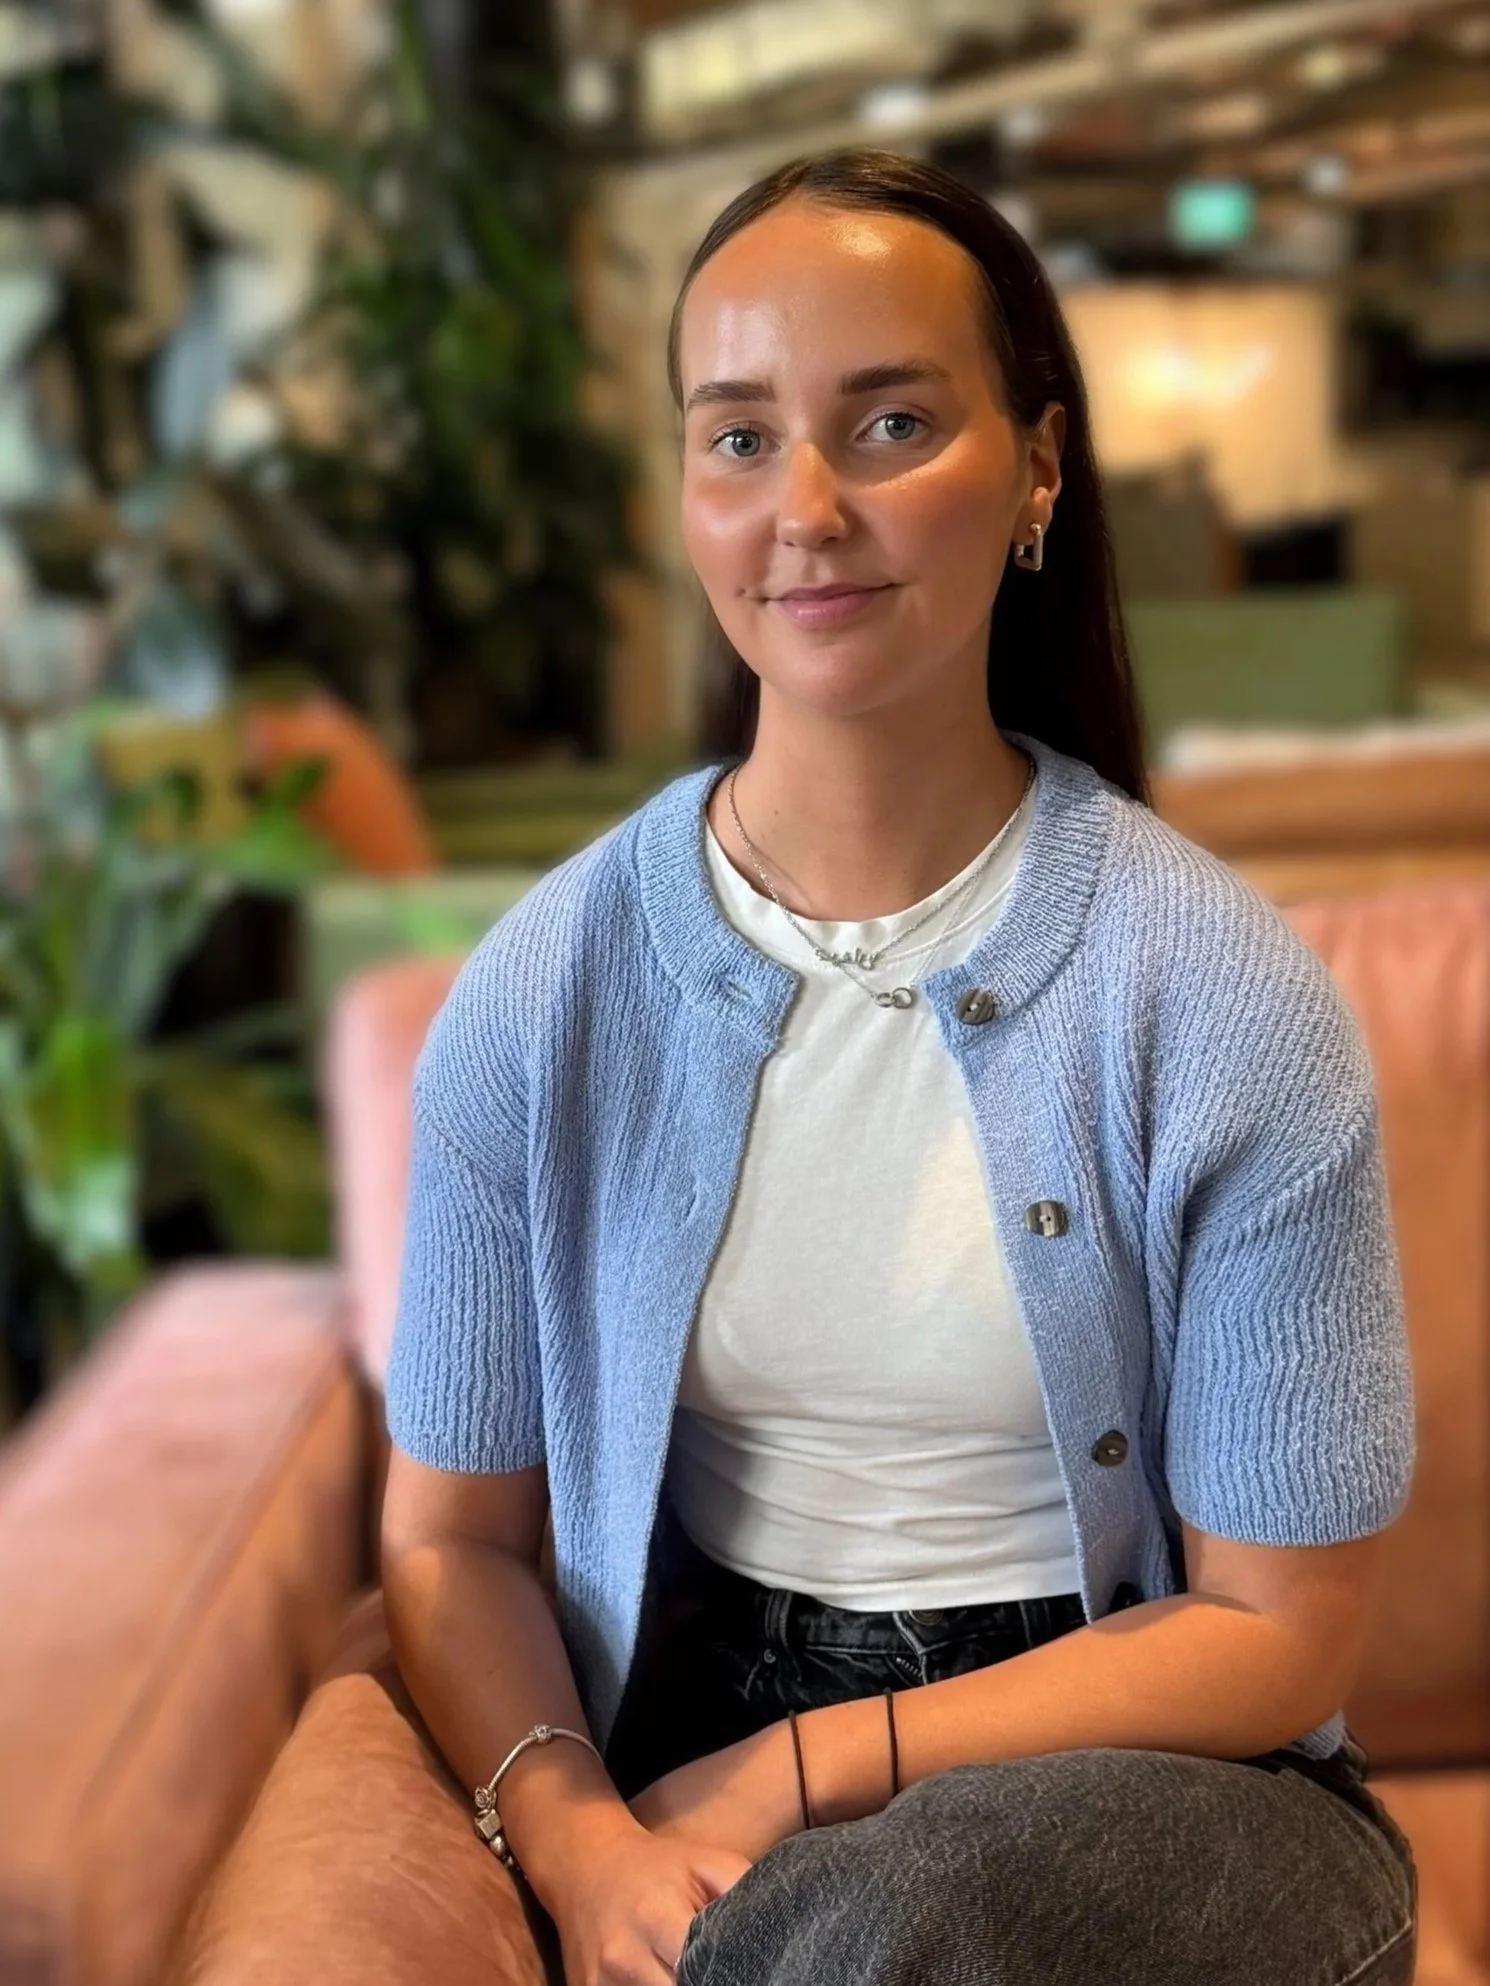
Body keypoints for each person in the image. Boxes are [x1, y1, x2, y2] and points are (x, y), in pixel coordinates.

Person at [380, 148, 1419, 1986]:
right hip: (698, 1699)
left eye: (887, 424)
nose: (803, 506)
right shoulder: (544, 993)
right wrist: (575, 1835)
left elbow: (1279, 1635)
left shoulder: (1220, 998)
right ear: (684, 491)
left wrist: (796, 1775)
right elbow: (453, 1545)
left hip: (1152, 1765)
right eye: (736, 437)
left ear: (1035, 466)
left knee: (899, 1923)